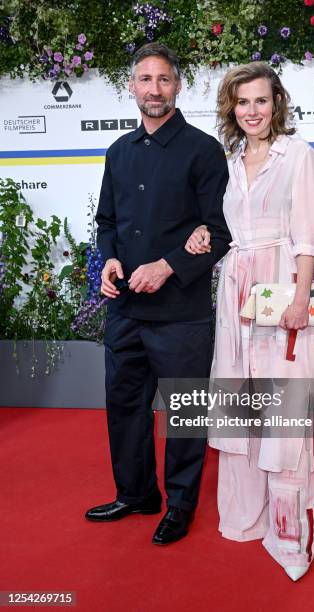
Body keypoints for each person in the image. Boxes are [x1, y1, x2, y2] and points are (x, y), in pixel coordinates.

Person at [85, 42, 231, 546]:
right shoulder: (118, 151)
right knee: (124, 405)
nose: (154, 88)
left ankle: (181, 504)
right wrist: (110, 258)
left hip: (180, 315)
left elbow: (219, 233)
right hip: (125, 309)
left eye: (164, 79)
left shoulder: (204, 150)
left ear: (178, 86)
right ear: (132, 86)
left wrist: (168, 266)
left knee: (184, 410)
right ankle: (136, 493)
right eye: (145, 79)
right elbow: (107, 222)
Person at [185, 62, 314, 580]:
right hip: (235, 291)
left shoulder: (298, 155)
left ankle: (288, 535)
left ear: (276, 103)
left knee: (281, 411)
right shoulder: (230, 159)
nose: (252, 112)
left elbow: (306, 236)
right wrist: (203, 234)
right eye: (242, 103)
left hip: (279, 285)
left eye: (261, 101)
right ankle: (245, 518)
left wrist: (299, 299)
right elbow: (225, 225)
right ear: (232, 108)